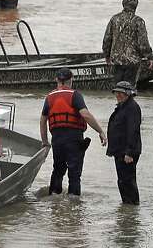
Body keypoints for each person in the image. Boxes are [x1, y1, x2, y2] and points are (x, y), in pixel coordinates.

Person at [40, 68, 107, 196]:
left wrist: (45, 142)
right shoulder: (75, 95)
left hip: (57, 139)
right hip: (73, 138)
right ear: (71, 80)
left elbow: (43, 121)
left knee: (58, 170)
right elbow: (85, 115)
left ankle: (54, 199)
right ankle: (74, 205)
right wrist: (100, 131)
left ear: (57, 80)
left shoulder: (49, 97)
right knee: (74, 173)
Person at [102, 0, 153, 87]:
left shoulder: (114, 19)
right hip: (132, 62)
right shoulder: (139, 21)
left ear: (123, 4)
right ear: (136, 6)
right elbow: (143, 43)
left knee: (118, 89)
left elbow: (107, 39)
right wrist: (149, 57)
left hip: (116, 61)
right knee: (129, 89)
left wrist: (107, 56)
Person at [107, 80, 142, 205]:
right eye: (116, 93)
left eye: (121, 93)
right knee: (122, 180)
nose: (117, 95)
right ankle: (127, 208)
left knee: (128, 180)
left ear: (128, 94)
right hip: (120, 151)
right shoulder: (123, 106)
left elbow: (134, 131)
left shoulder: (132, 107)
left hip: (127, 152)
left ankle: (133, 206)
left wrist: (129, 153)